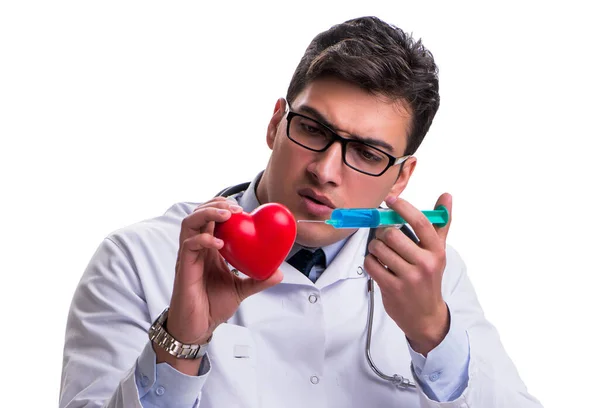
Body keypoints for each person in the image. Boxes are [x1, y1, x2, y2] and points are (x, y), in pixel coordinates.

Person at [59, 16, 543, 408]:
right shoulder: (136, 259)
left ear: (400, 178)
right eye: (312, 128)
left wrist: (434, 335)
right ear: (275, 123)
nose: (326, 170)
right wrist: (178, 345)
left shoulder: (432, 279)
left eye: (368, 154)